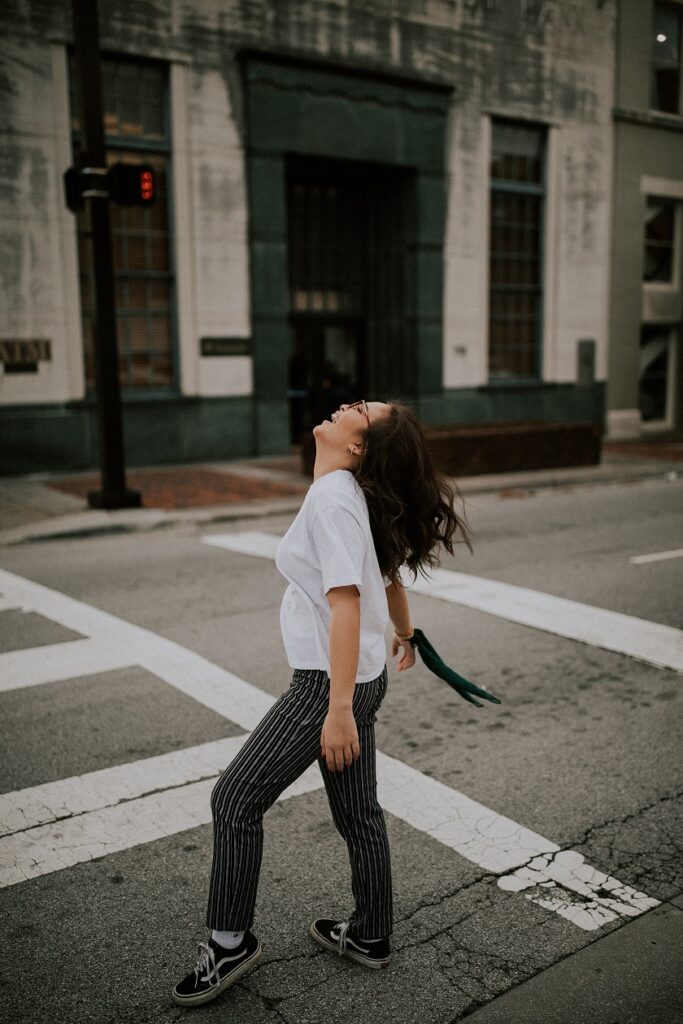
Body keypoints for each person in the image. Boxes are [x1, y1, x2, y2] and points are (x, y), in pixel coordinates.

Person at [172, 399, 471, 1007]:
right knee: (359, 815)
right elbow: (387, 571)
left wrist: (335, 710)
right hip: (361, 678)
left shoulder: (334, 496)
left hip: (325, 687)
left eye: (357, 410)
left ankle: (228, 943)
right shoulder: (354, 495)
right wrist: (405, 635)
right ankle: (370, 934)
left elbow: (346, 604)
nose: (342, 405)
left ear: (357, 446)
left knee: (234, 799)